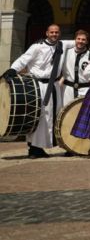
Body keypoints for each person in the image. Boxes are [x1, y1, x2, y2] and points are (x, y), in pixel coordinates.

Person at [4, 24, 75, 158]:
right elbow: (24, 59)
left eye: (57, 32)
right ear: (47, 33)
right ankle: (34, 147)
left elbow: (78, 42)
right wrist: (13, 69)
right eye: (52, 32)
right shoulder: (37, 47)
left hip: (54, 85)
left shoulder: (62, 45)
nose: (54, 34)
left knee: (53, 116)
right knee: (39, 115)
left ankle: (40, 146)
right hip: (39, 86)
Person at [60, 29, 90, 106]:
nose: (80, 41)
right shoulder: (66, 52)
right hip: (68, 90)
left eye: (83, 39)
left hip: (85, 90)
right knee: (66, 115)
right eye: (78, 39)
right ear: (75, 40)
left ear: (87, 42)